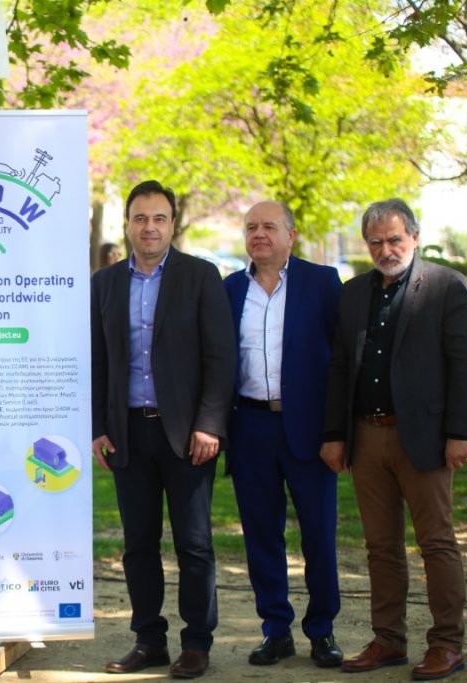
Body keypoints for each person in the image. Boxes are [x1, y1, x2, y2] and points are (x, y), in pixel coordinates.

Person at [321, 199, 467, 681]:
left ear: (414, 236)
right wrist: (334, 434)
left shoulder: (446, 286)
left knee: (437, 544)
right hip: (366, 437)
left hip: (426, 439)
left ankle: (447, 644)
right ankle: (388, 640)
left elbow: (465, 365)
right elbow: (341, 367)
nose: (385, 249)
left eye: (394, 239)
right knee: (380, 547)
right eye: (375, 242)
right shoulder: (353, 293)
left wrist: (460, 433)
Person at [91, 180, 235, 678]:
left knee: (194, 544)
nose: (149, 228)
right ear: (127, 225)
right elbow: (98, 361)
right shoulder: (106, 283)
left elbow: (220, 357)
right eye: (140, 218)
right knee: (138, 545)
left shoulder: (201, 276)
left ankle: (196, 643)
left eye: (158, 218)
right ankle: (149, 640)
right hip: (127, 434)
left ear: (172, 224)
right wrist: (98, 427)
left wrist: (210, 424)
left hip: (188, 436)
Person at [222, 201, 343, 668]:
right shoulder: (231, 289)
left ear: (290, 235)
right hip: (250, 427)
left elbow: (342, 361)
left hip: (310, 430)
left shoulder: (322, 283)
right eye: (251, 227)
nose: (259, 234)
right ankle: (275, 630)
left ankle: (322, 630)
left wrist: (336, 431)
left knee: (319, 535)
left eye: (269, 226)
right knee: (261, 537)